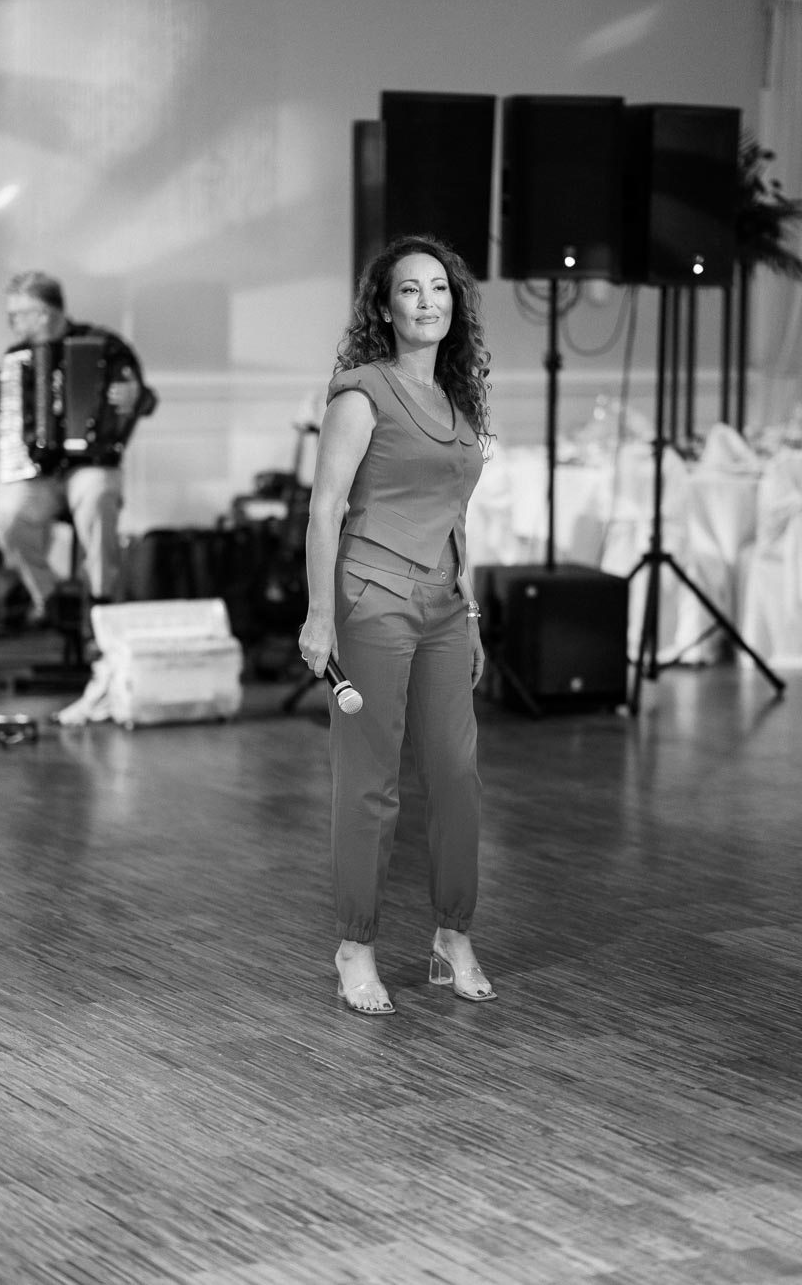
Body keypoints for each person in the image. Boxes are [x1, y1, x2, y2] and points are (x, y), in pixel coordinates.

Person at [298, 233, 497, 1016]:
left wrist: (471, 608)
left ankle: (453, 936)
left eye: (441, 289)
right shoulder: (361, 391)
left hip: (446, 604)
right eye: (411, 290)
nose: (428, 302)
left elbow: (456, 517)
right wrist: (320, 615)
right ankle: (356, 944)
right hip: (371, 598)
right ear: (384, 307)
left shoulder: (458, 401)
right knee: (370, 785)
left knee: (457, 778)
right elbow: (325, 509)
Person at [0, 270, 157, 624]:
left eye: (17, 315)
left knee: (97, 497)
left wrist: (137, 396)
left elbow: (143, 395)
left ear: (44, 314)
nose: (12, 323)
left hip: (90, 465)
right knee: (6, 517)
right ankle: (48, 597)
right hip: (37, 473)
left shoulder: (106, 347)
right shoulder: (16, 359)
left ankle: (100, 601)